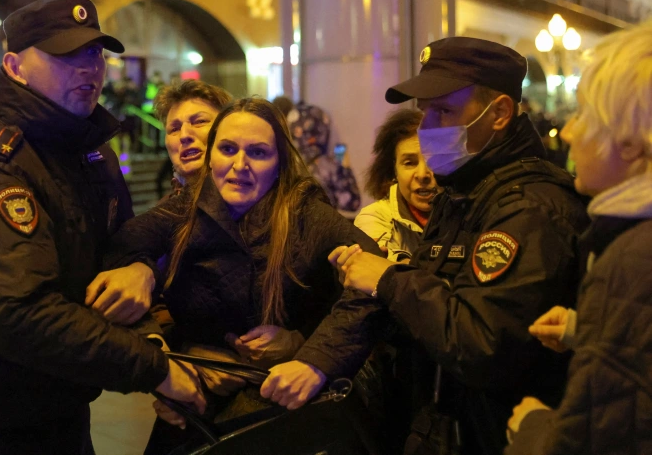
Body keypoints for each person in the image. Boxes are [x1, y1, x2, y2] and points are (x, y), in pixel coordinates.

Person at [0, 0, 204, 455]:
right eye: (66, 55)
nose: (88, 68)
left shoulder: (89, 151)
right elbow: (17, 315)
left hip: (61, 407)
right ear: (14, 66)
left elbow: (120, 245)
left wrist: (140, 269)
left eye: (95, 53)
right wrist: (153, 369)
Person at [303, 37, 590, 455]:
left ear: (500, 113)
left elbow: (482, 346)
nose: (427, 129)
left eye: (444, 111)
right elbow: (431, 317)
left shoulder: (530, 208)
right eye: (424, 113)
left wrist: (389, 279)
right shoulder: (462, 195)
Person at [107, 97, 384, 454]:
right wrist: (163, 362)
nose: (240, 165)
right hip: (198, 409)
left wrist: (313, 358)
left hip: (284, 411)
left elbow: (378, 281)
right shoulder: (182, 211)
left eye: (257, 152)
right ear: (211, 157)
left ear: (280, 162)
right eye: (227, 149)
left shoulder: (305, 213)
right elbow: (116, 256)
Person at [506, 21, 652, 455]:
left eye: (585, 115)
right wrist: (587, 331)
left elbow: (597, 437)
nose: (568, 132)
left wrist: (533, 427)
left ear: (629, 143)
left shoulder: (631, 260)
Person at [355, 108, 439, 262]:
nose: (422, 174)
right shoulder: (374, 219)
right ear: (394, 170)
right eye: (409, 163)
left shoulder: (466, 214)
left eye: (432, 160)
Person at [152, 79, 233, 198]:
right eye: (174, 129)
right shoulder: (160, 215)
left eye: (200, 121)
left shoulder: (262, 208)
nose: (184, 136)